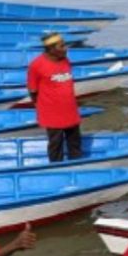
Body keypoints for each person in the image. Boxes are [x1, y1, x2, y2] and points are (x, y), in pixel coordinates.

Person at [26, 32, 83, 162]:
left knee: (75, 143)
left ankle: (78, 166)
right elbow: (33, 90)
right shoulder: (36, 65)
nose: (65, 48)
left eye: (65, 45)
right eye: (61, 46)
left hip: (70, 111)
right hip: (52, 114)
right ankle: (57, 169)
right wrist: (42, 107)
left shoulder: (65, 60)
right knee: (56, 145)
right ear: (51, 49)